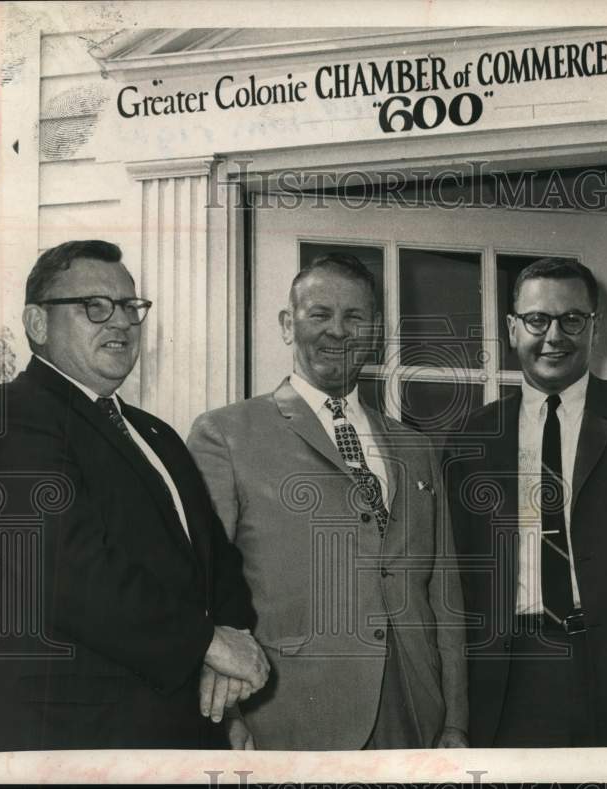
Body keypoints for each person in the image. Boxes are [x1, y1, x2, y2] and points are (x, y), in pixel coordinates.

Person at [0, 240, 268, 752]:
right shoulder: (11, 414)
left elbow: (219, 563)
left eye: (130, 307)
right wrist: (208, 644)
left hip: (180, 727)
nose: (120, 322)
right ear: (38, 324)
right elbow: (58, 568)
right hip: (68, 741)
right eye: (95, 307)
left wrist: (225, 690)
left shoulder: (157, 434)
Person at [187, 252, 467, 750]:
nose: (337, 331)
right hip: (287, 713)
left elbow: (444, 595)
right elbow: (201, 587)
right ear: (287, 324)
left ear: (375, 331)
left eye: (354, 317)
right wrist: (226, 720)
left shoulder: (416, 447)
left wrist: (455, 720)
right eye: (319, 314)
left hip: (414, 710)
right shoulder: (226, 435)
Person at [444, 257, 607, 747]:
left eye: (572, 319)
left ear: (595, 329)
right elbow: (454, 584)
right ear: (512, 329)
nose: (554, 335)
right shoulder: (471, 437)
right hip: (508, 678)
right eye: (537, 320)